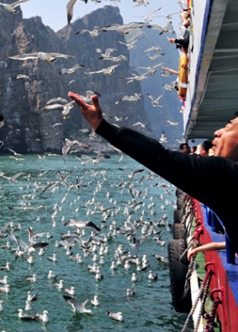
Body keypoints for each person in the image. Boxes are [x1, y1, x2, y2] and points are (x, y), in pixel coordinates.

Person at [68, 91, 238, 246]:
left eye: (229, 126)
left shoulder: (225, 174)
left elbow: (161, 158)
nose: (217, 132)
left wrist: (102, 127)